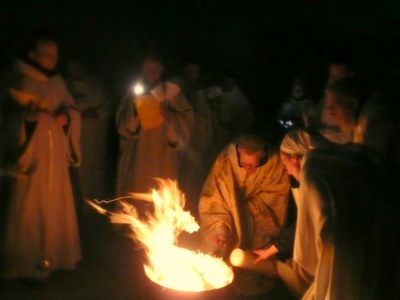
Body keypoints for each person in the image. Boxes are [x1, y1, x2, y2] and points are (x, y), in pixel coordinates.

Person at [252, 135, 399, 299]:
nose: (287, 172)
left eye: (284, 164)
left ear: (294, 157)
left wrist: (285, 269)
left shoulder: (313, 169)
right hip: (381, 239)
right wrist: (271, 250)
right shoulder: (343, 157)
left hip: (345, 249)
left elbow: (310, 231)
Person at [0, 32, 81, 280]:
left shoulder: (58, 83)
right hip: (31, 153)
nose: (51, 59)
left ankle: (56, 256)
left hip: (55, 153)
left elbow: (72, 109)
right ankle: (24, 262)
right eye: (46, 55)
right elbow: (6, 117)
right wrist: (27, 120)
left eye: (54, 55)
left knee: (55, 200)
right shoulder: (18, 79)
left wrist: (66, 117)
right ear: (33, 55)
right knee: (28, 202)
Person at [198, 134, 290, 296]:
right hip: (229, 212)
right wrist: (220, 229)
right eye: (245, 164)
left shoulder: (274, 163)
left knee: (255, 258)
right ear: (237, 155)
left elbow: (275, 201)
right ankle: (220, 289)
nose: (249, 170)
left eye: (254, 165)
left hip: (258, 214)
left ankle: (251, 290)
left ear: (263, 156)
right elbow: (215, 200)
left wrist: (244, 214)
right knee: (221, 243)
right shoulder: (226, 162)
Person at [115, 55, 193, 198]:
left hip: (163, 158)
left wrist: (171, 117)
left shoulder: (171, 91)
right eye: (148, 67)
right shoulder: (133, 92)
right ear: (143, 68)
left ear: (161, 68)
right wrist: (136, 109)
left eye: (155, 67)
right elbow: (126, 126)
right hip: (139, 158)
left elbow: (186, 118)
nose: (151, 70)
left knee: (161, 196)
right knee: (138, 194)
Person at [324, 77, 400, 167]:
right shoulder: (361, 121)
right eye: (328, 108)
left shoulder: (376, 123)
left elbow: (371, 168)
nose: (330, 113)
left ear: (353, 103)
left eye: (333, 107)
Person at [65, 58, 112, 202]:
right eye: (72, 69)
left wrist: (93, 113)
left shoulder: (95, 84)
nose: (76, 72)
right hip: (75, 136)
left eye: (78, 68)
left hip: (94, 133)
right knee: (77, 169)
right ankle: (80, 201)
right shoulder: (65, 85)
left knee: (95, 165)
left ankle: (95, 200)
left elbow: (106, 106)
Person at [171, 60, 214, 214]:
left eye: (195, 73)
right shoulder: (175, 89)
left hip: (196, 146)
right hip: (179, 147)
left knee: (192, 181)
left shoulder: (200, 93)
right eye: (190, 73)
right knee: (177, 181)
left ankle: (186, 210)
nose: (193, 76)